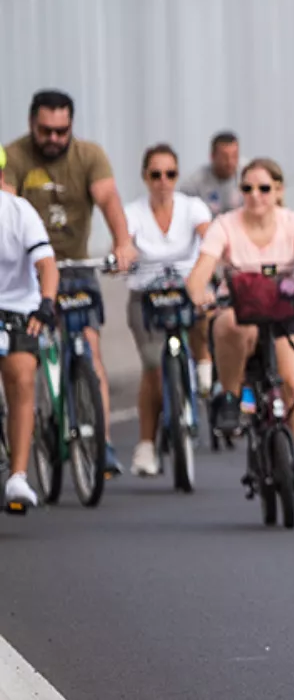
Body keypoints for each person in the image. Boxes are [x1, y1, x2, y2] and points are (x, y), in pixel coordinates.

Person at [184, 157, 294, 510]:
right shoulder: (224, 225)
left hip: (285, 316)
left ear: (279, 191)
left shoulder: (293, 223)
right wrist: (200, 294)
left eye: (264, 188)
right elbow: (200, 272)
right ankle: (229, 396)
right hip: (242, 314)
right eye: (247, 188)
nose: (255, 196)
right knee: (230, 325)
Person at [4, 89, 139, 474]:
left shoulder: (89, 155)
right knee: (33, 351)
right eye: (46, 130)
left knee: (89, 350)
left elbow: (108, 198)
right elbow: (6, 201)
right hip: (29, 272)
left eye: (61, 131)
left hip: (78, 265)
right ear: (32, 124)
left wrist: (123, 242)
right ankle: (41, 420)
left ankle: (103, 441)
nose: (53, 139)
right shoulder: (13, 156)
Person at [121, 144, 213, 477]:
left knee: (206, 304)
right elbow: (124, 240)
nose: (163, 181)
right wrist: (124, 253)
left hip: (187, 288)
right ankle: (146, 445)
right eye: (156, 174)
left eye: (170, 174)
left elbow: (209, 236)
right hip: (147, 295)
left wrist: (215, 259)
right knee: (152, 367)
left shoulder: (193, 207)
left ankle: (204, 361)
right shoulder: (132, 211)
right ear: (145, 177)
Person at [1, 181, 57, 513]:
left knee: (21, 377)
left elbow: (46, 264)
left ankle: (18, 476)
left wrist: (46, 303)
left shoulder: (19, 211)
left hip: (17, 307)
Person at [180, 131, 243, 215]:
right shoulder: (195, 183)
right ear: (212, 156)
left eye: (234, 156)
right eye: (224, 157)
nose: (230, 162)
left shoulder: (248, 176)